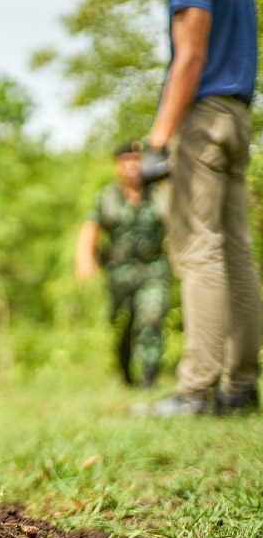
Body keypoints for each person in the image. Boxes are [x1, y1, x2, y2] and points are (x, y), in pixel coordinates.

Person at [134, 0, 260, 416]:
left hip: (202, 119)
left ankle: (195, 391)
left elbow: (190, 57)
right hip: (238, 117)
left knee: (198, 250)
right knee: (237, 253)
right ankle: (241, 388)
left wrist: (158, 139)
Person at [75, 140, 171, 388]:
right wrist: (84, 259)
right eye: (125, 161)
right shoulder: (108, 196)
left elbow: (175, 227)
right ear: (117, 165)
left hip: (153, 269)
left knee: (151, 317)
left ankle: (150, 378)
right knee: (123, 325)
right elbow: (91, 228)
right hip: (120, 274)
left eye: (136, 160)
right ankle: (126, 374)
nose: (131, 166)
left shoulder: (159, 195)